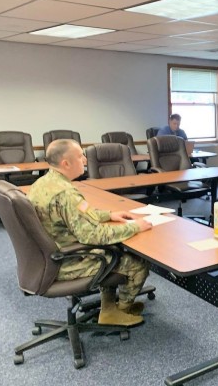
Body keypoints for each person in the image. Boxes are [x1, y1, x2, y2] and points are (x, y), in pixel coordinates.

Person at [27, 139, 152, 327]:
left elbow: (77, 214)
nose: (85, 160)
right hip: (67, 261)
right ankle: (120, 312)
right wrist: (136, 226)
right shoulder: (66, 194)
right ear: (66, 163)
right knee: (137, 263)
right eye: (80, 156)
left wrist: (108, 214)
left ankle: (110, 308)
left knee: (113, 251)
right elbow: (93, 236)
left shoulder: (44, 183)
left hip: (48, 256)